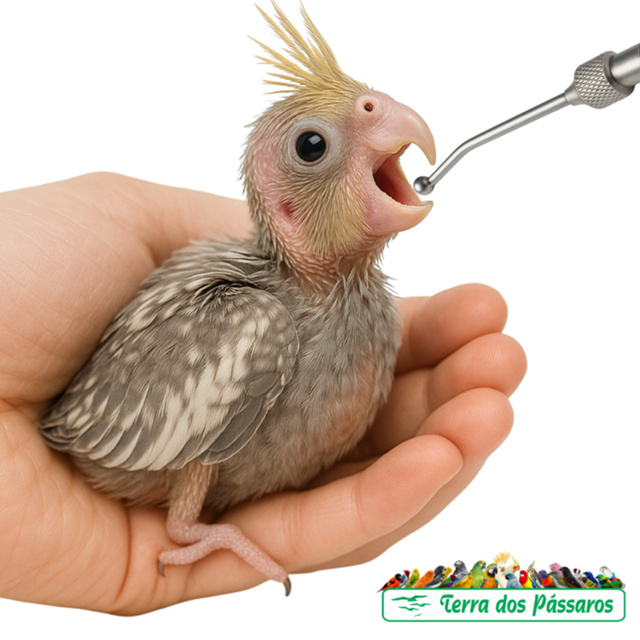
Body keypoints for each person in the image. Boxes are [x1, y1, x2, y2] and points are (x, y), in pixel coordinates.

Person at [0, 172, 526, 614]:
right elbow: (203, 445)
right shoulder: (252, 318)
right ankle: (185, 523)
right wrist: (189, 525)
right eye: (313, 148)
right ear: (286, 207)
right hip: (111, 450)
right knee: (234, 389)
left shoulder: (374, 315)